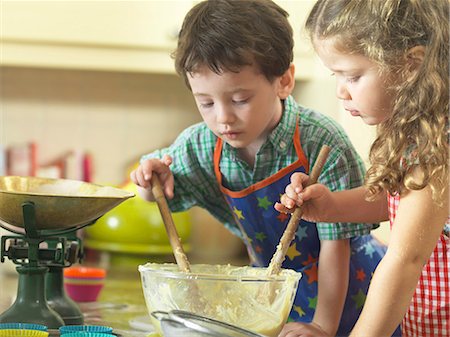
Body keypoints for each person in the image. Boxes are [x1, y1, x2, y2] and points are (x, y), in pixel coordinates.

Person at [130, 1, 392, 336]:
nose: (223, 118)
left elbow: (335, 244)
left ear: (284, 81)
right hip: (275, 300)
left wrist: (322, 326)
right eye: (206, 102)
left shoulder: (321, 141)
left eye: (240, 99)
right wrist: (148, 180)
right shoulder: (200, 145)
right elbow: (156, 193)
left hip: (353, 295)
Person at [275, 0, 449, 336]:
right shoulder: (417, 134)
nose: (341, 91)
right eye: (336, 75)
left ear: (411, 66)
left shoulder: (440, 145)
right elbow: (403, 204)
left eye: (352, 76)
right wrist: (332, 207)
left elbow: (405, 259)